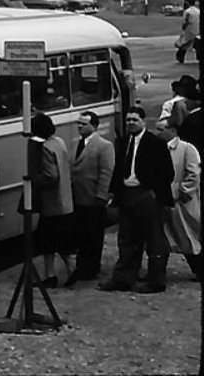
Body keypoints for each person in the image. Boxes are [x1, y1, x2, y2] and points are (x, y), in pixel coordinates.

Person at [100, 105, 176, 293]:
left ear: (143, 121)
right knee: (126, 239)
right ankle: (123, 279)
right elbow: (118, 170)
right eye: (128, 120)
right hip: (127, 194)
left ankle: (155, 280)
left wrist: (155, 193)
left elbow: (168, 172)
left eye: (135, 120)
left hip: (148, 195)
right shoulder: (123, 142)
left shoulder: (155, 143)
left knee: (154, 239)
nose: (131, 123)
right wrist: (113, 193)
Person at [67, 110, 116, 285]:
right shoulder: (76, 144)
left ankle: (91, 267)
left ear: (94, 126)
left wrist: (102, 196)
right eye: (78, 124)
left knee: (93, 235)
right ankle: (83, 265)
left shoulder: (104, 146)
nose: (80, 127)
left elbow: (106, 172)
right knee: (81, 234)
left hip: (93, 198)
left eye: (84, 124)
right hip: (78, 198)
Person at [29, 113, 74, 288]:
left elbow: (50, 175)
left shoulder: (44, 148)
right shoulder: (59, 142)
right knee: (58, 240)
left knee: (48, 241)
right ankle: (59, 271)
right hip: (64, 199)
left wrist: (35, 179)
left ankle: (53, 274)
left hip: (51, 202)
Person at [156, 114, 202, 281]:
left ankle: (199, 269)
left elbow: (194, 174)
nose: (157, 133)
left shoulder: (187, 149)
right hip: (164, 200)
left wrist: (183, 191)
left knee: (189, 236)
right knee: (166, 236)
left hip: (182, 201)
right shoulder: (158, 148)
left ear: (172, 130)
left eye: (161, 129)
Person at [177, 0, 201, 64]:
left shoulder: (187, 11)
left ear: (188, 3)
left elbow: (186, 21)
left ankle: (180, 57)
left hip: (189, 29)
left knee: (184, 43)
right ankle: (199, 56)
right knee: (197, 44)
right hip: (197, 29)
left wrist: (184, 27)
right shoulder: (198, 11)